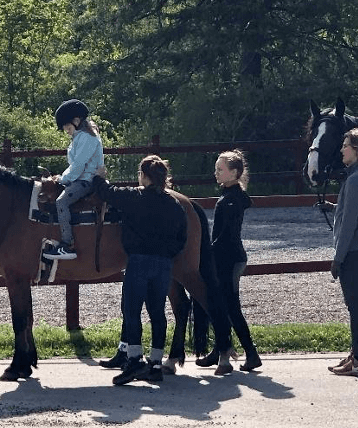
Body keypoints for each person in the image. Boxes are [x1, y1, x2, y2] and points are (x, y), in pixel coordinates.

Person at [94, 155, 187, 385]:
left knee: (132, 310)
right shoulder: (174, 204)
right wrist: (167, 254)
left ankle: (134, 360)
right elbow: (181, 238)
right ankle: (155, 364)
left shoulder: (134, 197)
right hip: (163, 263)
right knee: (157, 312)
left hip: (138, 261)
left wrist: (99, 177)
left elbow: (107, 192)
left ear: (143, 177)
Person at [195, 150, 262, 372]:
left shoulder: (233, 199)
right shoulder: (228, 195)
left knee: (231, 307)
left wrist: (207, 253)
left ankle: (251, 354)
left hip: (230, 259)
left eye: (220, 169)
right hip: (226, 258)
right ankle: (219, 350)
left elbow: (226, 235)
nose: (216, 173)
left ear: (234, 173)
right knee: (220, 305)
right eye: (216, 169)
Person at [325, 128, 358, 377]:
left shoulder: (356, 179)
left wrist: (338, 257)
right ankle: (355, 354)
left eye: (346, 146)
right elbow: (352, 210)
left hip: (354, 248)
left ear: (357, 151)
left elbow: (349, 224)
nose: (342, 149)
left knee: (355, 305)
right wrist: (333, 206)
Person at [42, 99, 104, 261]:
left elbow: (78, 166)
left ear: (76, 121)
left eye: (67, 127)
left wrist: (62, 179)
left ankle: (67, 244)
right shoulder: (80, 136)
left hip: (86, 181)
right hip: (80, 178)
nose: (66, 131)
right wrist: (61, 177)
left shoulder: (86, 138)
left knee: (61, 202)